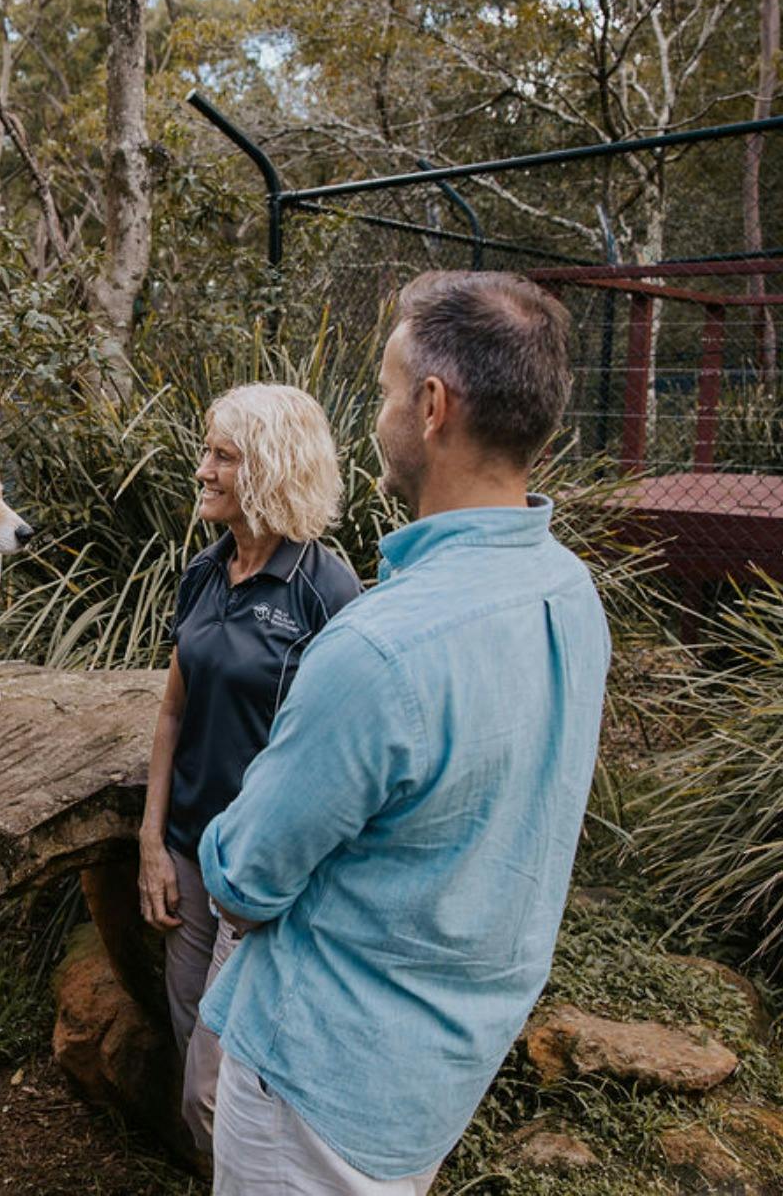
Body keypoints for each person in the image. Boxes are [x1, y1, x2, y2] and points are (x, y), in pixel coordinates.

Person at [197, 272, 611, 1193]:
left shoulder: (377, 650)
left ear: (431, 407)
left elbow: (242, 881)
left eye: (385, 391)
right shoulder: (571, 593)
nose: (377, 413)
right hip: (440, 1076)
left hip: (314, 1088)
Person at [137, 383, 362, 1148]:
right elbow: (173, 712)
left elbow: (344, 752)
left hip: (262, 870)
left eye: (223, 457)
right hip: (189, 853)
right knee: (188, 1037)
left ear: (271, 468)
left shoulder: (326, 592)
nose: (203, 470)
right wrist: (152, 841)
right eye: (207, 452)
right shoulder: (204, 571)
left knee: (211, 1088)